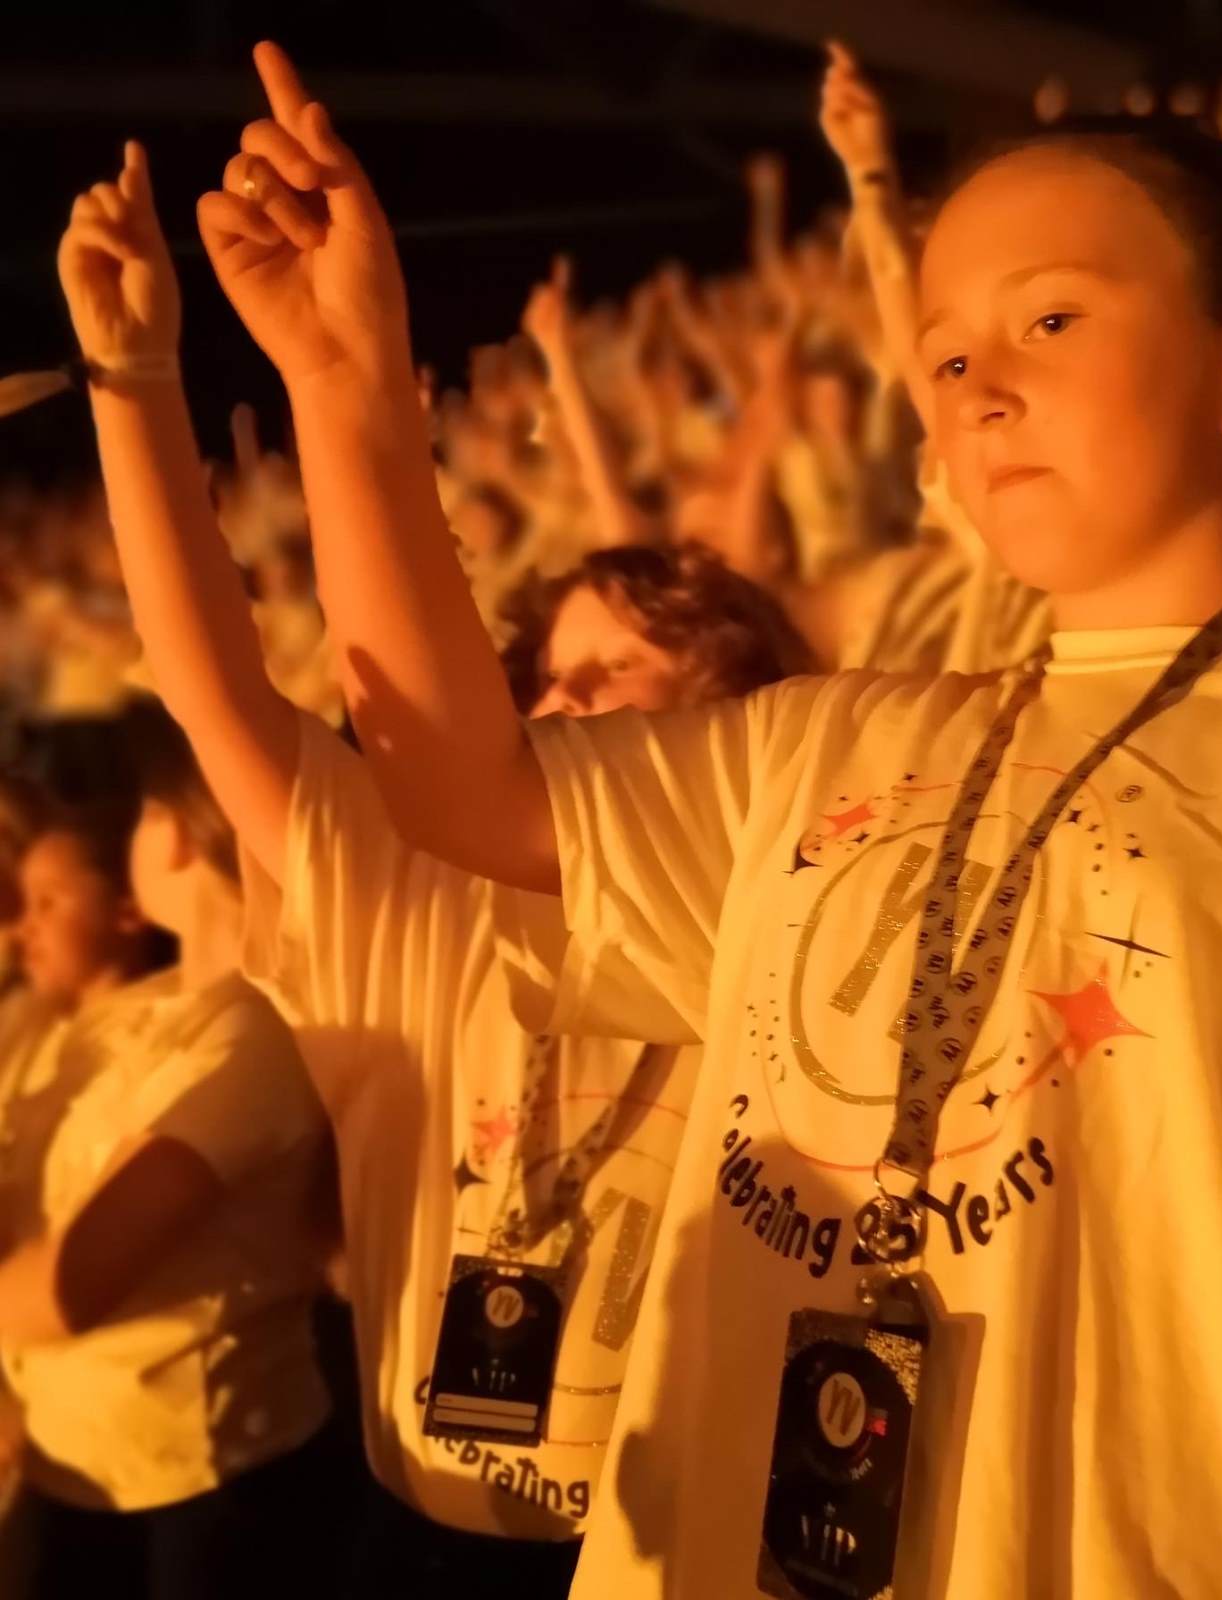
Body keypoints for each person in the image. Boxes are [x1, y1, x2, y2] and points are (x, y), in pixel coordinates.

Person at [198, 42, 1222, 1598]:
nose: (982, 386)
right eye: (943, 357)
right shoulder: (825, 736)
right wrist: (344, 382)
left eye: (1050, 318)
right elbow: (459, 784)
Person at [54, 133, 810, 1599]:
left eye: (618, 676)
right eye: (552, 677)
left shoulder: (773, 904)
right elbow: (213, 689)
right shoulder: (404, 893)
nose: (565, 702)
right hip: (413, 1537)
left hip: (683, 1556)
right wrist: (133, 379)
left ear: (731, 721)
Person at [0, 732, 335, 1600]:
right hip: (78, 1460)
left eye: (147, 813)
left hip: (198, 1482)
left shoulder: (251, 1038)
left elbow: (74, 1282)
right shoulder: (139, 1011)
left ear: (181, 834)